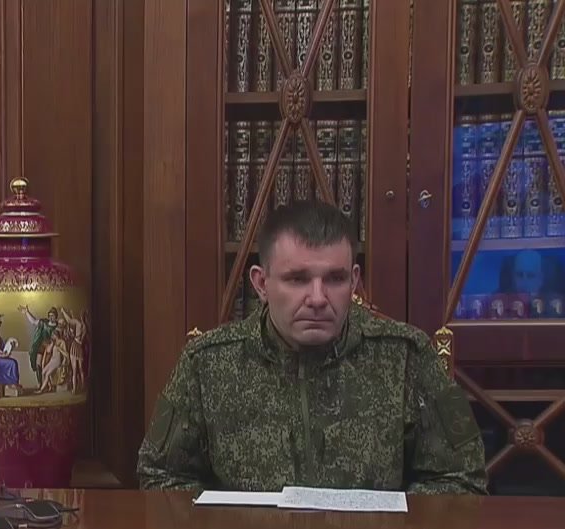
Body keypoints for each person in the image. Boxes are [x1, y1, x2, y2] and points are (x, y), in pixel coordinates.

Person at [135, 200, 487, 495]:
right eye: (297, 279)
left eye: (335, 279)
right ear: (261, 283)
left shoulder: (406, 355)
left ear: (354, 280)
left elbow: (462, 478)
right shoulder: (208, 364)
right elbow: (160, 475)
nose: (318, 298)